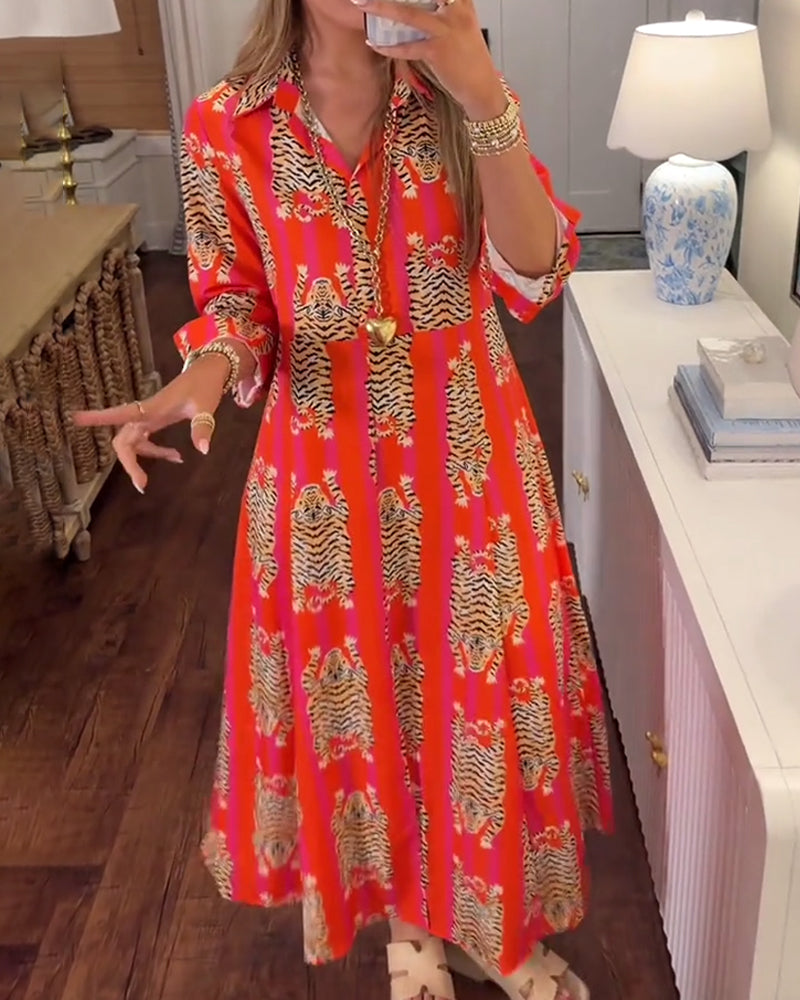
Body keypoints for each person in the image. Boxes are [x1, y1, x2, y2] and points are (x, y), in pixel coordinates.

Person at [73, 1, 613, 997]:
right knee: (367, 708)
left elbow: (535, 272)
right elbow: (237, 300)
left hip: (468, 461)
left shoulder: (455, 87)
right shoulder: (227, 121)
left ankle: (490, 924)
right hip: (325, 477)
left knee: (478, 700)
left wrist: (480, 93)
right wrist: (204, 373)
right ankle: (414, 931)